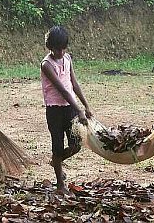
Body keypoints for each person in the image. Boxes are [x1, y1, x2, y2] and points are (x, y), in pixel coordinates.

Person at [41, 26, 92, 195]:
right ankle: (60, 185)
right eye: (57, 49)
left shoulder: (68, 59)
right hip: (55, 111)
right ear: (50, 47)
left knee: (75, 145)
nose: (61, 52)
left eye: (63, 48)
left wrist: (86, 105)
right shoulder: (46, 65)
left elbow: (74, 84)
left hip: (69, 108)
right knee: (57, 145)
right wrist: (80, 111)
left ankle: (56, 161)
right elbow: (62, 89)